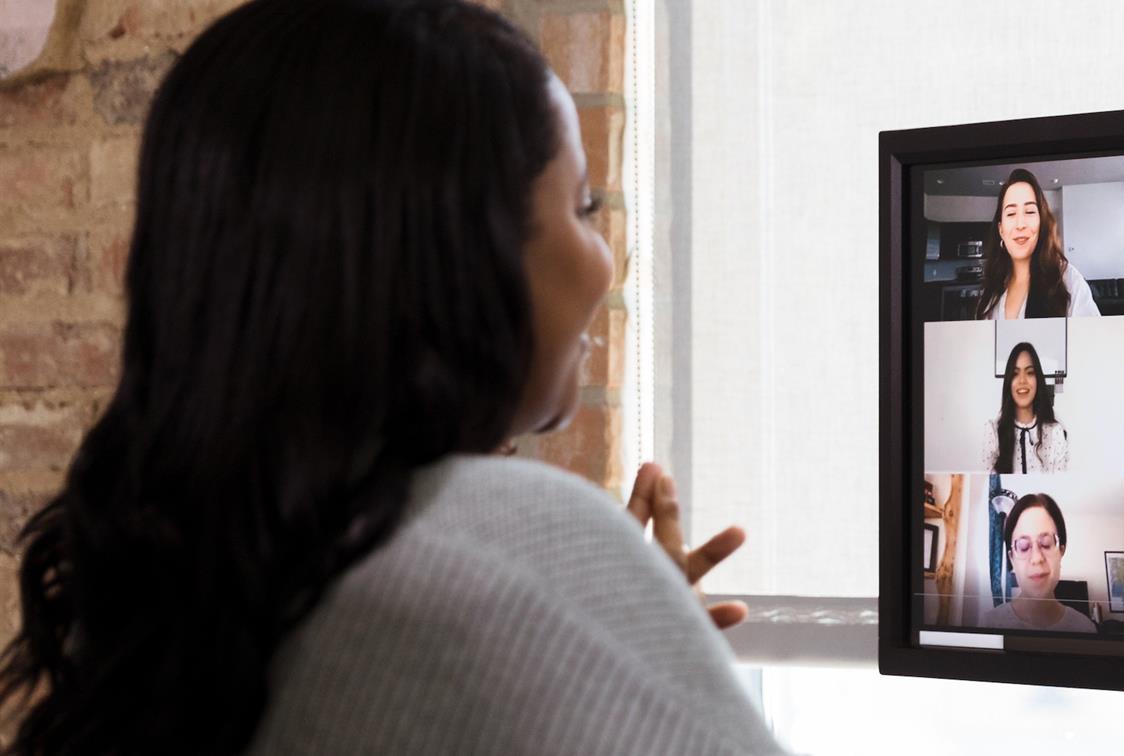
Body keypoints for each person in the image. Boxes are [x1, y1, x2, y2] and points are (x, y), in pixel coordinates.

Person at [0, 1, 784, 753]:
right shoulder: (514, 547)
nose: (608, 262)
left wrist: (628, 663)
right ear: (465, 253)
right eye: (583, 208)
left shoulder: (174, 579)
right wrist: (623, 640)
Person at [975, 168, 1102, 319]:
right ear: (1001, 229)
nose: (1020, 224)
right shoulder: (990, 289)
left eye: (1029, 212)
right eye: (1011, 214)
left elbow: (1093, 340)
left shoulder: (1068, 281)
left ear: (1041, 223)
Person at [979, 494, 1098, 632]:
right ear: (1012, 558)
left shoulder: (1085, 629)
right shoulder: (988, 625)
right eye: (1023, 546)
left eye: (1046, 544)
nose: (1036, 558)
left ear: (1061, 550)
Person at [981, 342, 1069, 473]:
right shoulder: (993, 433)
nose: (1022, 380)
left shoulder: (1054, 433)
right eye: (1015, 374)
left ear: (1038, 379)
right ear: (1008, 382)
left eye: (1030, 372)